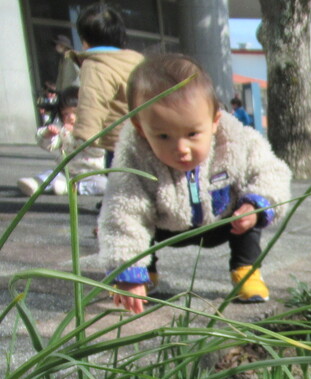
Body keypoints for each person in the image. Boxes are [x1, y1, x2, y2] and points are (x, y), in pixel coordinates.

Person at [98, 54, 291, 313]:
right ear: (141, 128)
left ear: (214, 121)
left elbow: (272, 171)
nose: (181, 149)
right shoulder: (135, 158)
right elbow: (123, 213)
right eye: (164, 136)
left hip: (223, 221)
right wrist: (127, 271)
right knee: (134, 217)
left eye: (192, 134)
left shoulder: (236, 141)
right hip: (166, 226)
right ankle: (145, 271)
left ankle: (246, 269)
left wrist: (256, 204)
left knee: (250, 210)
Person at [71, 3, 144, 166]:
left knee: (120, 186)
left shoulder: (97, 64)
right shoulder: (137, 61)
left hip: (117, 143)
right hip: (147, 139)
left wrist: (83, 139)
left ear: (85, 40)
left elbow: (92, 103)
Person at [18, 86, 107, 197]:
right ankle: (35, 183)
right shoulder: (62, 128)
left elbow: (99, 151)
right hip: (66, 172)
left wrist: (78, 135)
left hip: (91, 174)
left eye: (75, 112)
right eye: (66, 114)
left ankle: (72, 187)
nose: (71, 117)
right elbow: (50, 145)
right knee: (50, 175)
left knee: (105, 185)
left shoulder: (95, 128)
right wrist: (48, 134)